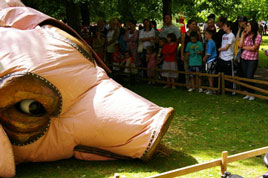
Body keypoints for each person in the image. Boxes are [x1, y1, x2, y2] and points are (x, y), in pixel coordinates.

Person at [239, 20, 262, 101]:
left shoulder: (258, 36)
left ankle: (252, 93)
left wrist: (244, 47)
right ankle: (248, 93)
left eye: (248, 26)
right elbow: (240, 45)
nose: (246, 27)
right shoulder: (246, 35)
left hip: (253, 59)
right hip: (244, 57)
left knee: (249, 76)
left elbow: (254, 48)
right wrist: (242, 35)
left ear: (253, 26)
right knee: (245, 76)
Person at [180, 19, 202, 87]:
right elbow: (182, 46)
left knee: (196, 70)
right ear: (189, 25)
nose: (194, 26)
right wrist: (182, 55)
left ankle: (197, 85)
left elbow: (200, 42)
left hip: (196, 55)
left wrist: (198, 33)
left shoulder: (197, 34)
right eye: (193, 24)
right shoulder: (184, 35)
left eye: (195, 24)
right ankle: (188, 85)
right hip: (187, 54)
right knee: (187, 70)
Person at [217, 21, 236, 92]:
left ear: (229, 27)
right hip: (222, 57)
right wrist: (220, 55)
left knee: (230, 75)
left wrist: (219, 49)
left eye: (224, 26)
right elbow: (223, 45)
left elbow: (226, 47)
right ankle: (222, 88)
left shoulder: (231, 36)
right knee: (222, 74)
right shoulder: (223, 36)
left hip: (229, 58)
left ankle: (232, 90)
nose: (223, 27)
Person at [203, 30, 218, 95]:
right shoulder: (209, 42)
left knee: (210, 75)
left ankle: (211, 89)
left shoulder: (210, 42)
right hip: (210, 60)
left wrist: (204, 58)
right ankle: (211, 88)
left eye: (206, 34)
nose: (205, 35)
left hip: (211, 60)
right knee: (209, 74)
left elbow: (208, 53)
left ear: (210, 35)